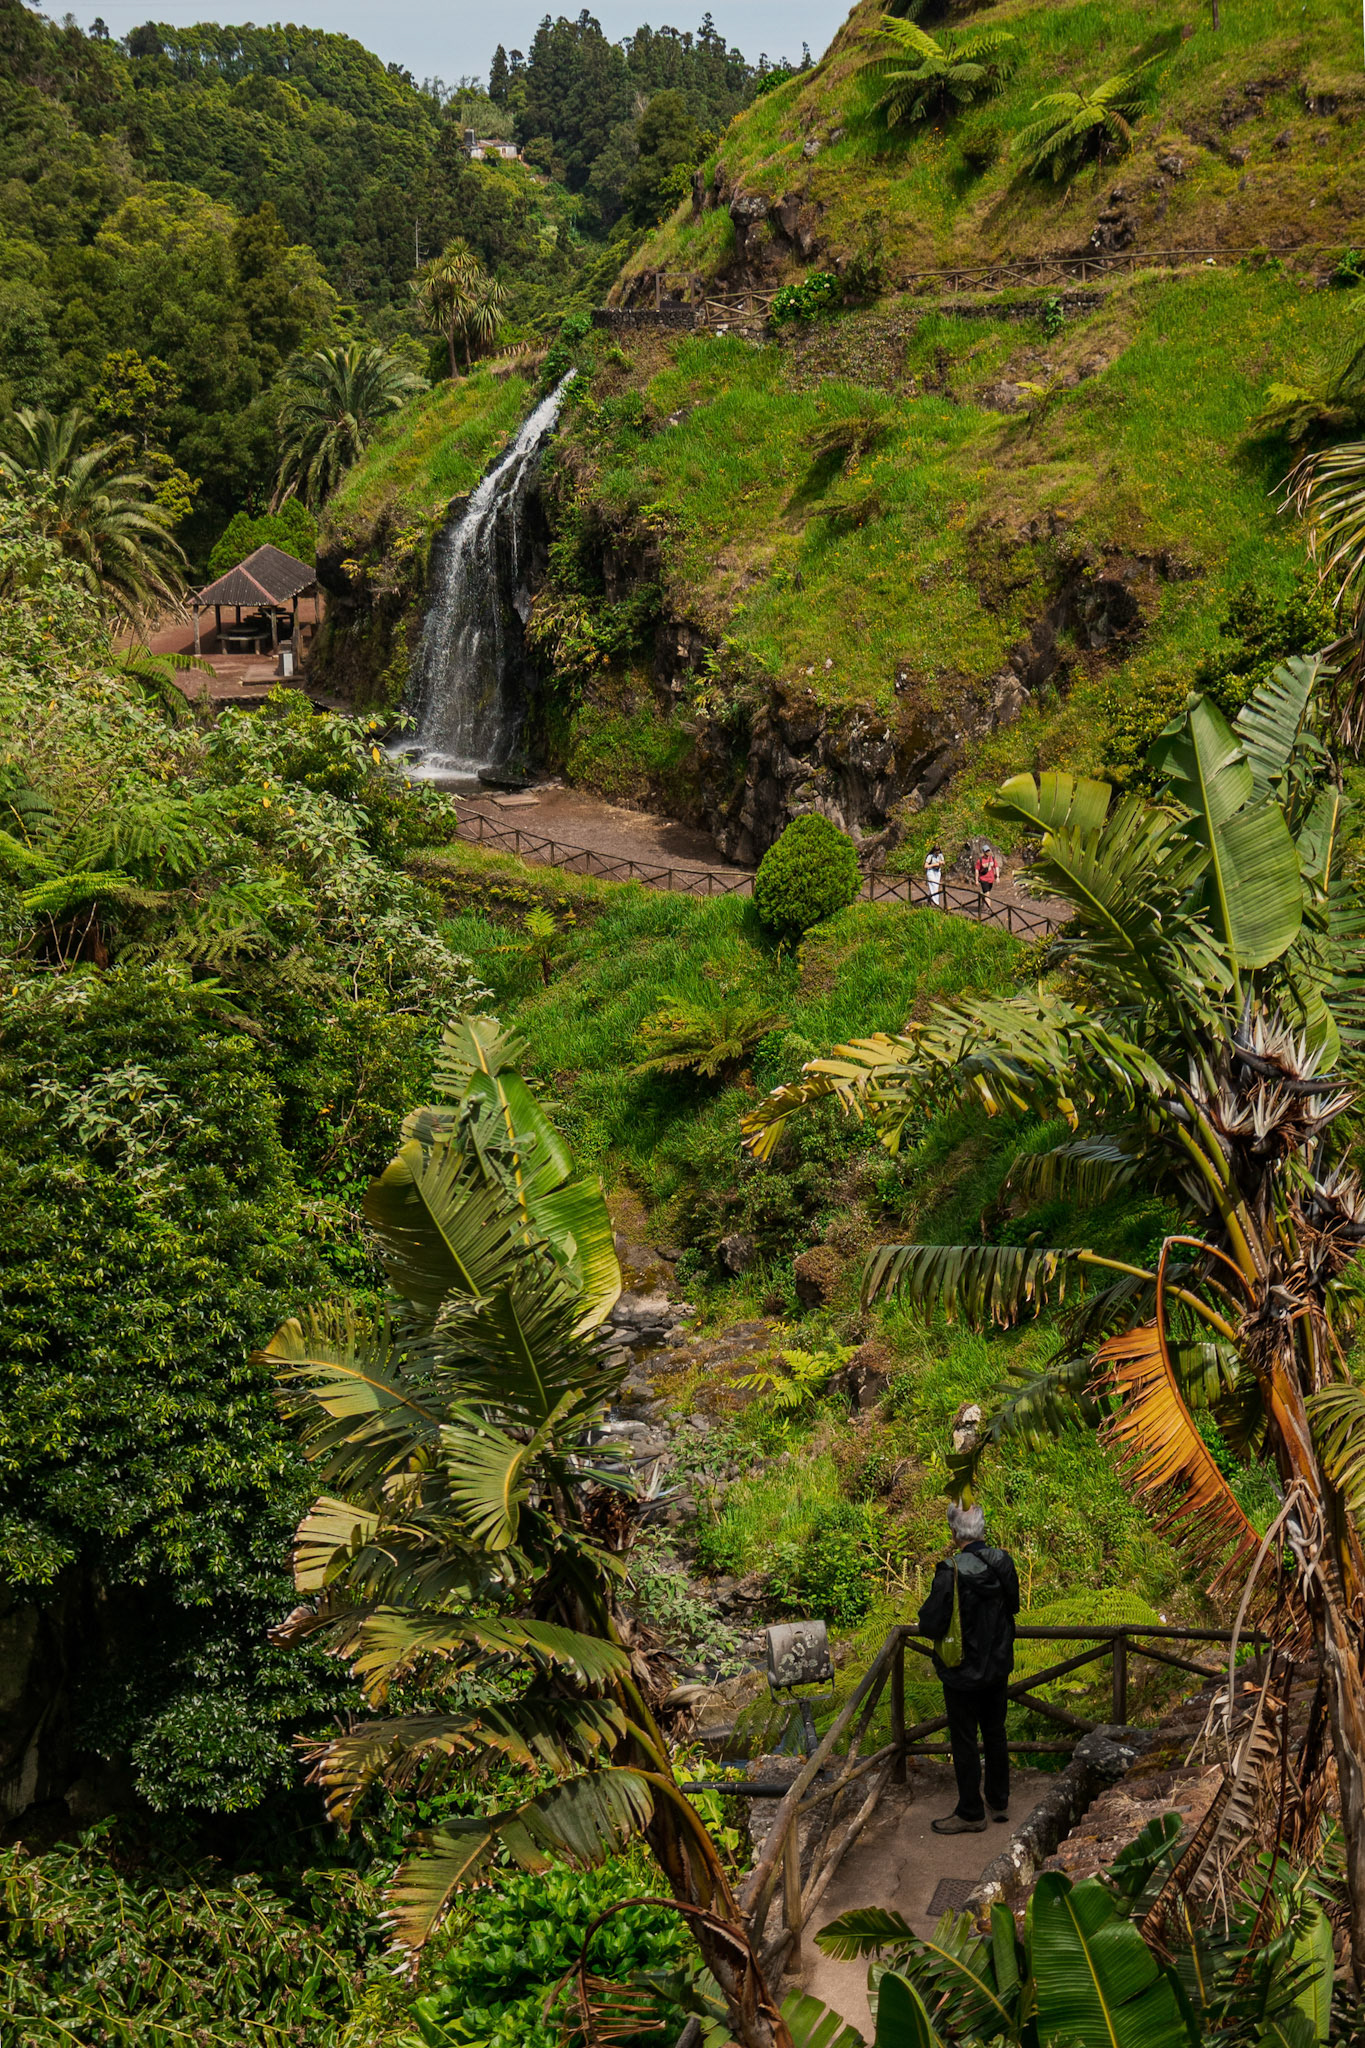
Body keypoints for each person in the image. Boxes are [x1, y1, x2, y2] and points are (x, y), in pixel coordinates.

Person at [916, 1503, 1020, 1834]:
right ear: (982, 1528)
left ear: (954, 1531)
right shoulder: (1003, 1562)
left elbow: (931, 1623)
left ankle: (971, 1812)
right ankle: (999, 1800)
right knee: (995, 1732)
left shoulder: (950, 1571)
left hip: (962, 1671)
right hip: (998, 1664)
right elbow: (1014, 1605)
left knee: (964, 1739)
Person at [974, 844, 999, 913]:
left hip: (991, 879)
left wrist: (997, 877)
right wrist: (976, 880)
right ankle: (990, 909)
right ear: (984, 852)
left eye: (988, 850)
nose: (988, 852)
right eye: (986, 851)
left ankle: (982, 898)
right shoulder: (980, 860)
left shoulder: (992, 858)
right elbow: (977, 870)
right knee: (987, 894)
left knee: (987, 893)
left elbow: (996, 867)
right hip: (983, 879)